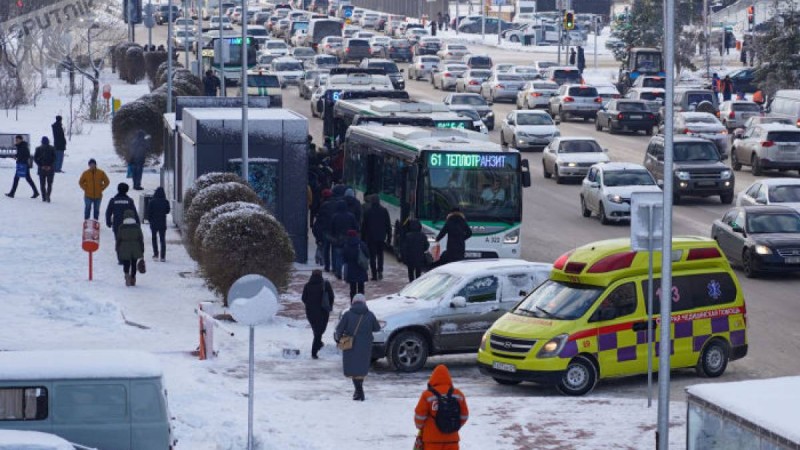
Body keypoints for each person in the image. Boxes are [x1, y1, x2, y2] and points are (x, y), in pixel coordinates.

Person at [334, 293, 380, 401]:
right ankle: (358, 392)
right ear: (364, 303)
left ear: (353, 302)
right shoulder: (370, 315)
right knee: (361, 369)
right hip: (366, 345)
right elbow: (377, 328)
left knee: (353, 368)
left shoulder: (347, 314)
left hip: (350, 345)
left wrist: (338, 339)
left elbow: (339, 329)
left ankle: (359, 391)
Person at [414, 364, 469, 450]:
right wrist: (454, 424)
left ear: (433, 378)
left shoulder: (427, 395)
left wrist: (421, 427)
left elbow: (419, 416)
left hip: (431, 440)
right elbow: (464, 415)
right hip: (452, 440)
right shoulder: (458, 394)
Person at [302, 269, 335, 359]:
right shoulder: (325, 284)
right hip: (323, 311)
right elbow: (331, 296)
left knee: (316, 330)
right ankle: (314, 352)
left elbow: (303, 298)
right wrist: (329, 306)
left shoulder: (307, 286)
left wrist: (309, 305)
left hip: (310, 312)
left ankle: (319, 344)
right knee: (319, 331)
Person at [361, 195, 391, 281]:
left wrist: (362, 238)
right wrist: (389, 237)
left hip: (371, 238)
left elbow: (364, 226)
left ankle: (374, 274)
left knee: (372, 256)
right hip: (381, 237)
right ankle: (380, 270)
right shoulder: (384, 211)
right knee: (380, 255)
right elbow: (388, 225)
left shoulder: (368, 212)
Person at [116, 209, 144, 287]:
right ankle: (133, 278)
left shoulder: (121, 227)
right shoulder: (137, 227)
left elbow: (119, 239)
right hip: (136, 247)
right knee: (134, 264)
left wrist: (117, 248)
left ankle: (127, 276)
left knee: (126, 263)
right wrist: (142, 249)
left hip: (124, 248)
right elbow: (140, 238)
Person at [331, 199, 358, 279]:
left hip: (338, 239)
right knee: (347, 258)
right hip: (348, 240)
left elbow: (332, 229)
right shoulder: (351, 216)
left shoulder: (335, 216)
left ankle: (338, 272)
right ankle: (347, 274)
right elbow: (355, 227)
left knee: (338, 257)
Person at [5, 135, 39, 199]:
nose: (16, 141)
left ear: (21, 140)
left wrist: (20, 160)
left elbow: (27, 155)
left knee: (21, 179)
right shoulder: (20, 146)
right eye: (16, 140)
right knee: (25, 179)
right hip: (21, 165)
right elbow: (20, 154)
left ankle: (12, 193)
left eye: (17, 140)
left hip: (23, 165)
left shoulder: (23, 146)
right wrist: (16, 156)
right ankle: (35, 192)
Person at [313, 189, 336, 271]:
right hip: (333, 229)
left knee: (325, 247)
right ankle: (334, 266)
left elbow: (320, 219)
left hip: (325, 230)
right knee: (333, 248)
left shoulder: (323, 205)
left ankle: (326, 264)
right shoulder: (334, 204)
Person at [343, 229, 369, 301]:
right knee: (361, 289)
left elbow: (344, 258)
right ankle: (361, 303)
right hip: (361, 268)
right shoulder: (361, 244)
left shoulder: (346, 245)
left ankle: (353, 303)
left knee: (352, 289)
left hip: (351, 270)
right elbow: (367, 254)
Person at [146, 186, 171, 261]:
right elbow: (167, 211)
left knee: (154, 239)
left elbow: (148, 212)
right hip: (162, 223)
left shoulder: (152, 201)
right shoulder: (165, 201)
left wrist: (150, 220)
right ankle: (163, 256)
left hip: (153, 222)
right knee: (162, 239)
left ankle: (156, 254)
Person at [33, 136, 56, 203]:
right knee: (49, 184)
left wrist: (40, 166)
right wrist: (50, 166)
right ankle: (47, 196)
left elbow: (35, 158)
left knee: (42, 184)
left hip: (42, 169)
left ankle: (44, 197)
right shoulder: (52, 148)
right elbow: (55, 159)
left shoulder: (38, 148)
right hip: (49, 169)